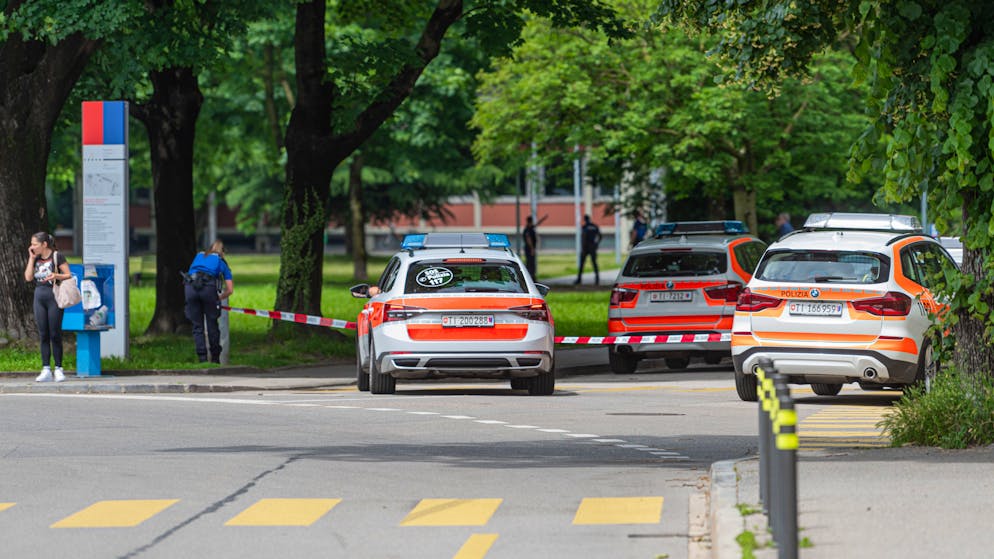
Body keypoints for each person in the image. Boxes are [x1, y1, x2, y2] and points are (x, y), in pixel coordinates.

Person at [24, 232, 72, 382]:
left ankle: (58, 368)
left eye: (35, 244)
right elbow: (28, 277)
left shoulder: (57, 256)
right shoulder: (36, 258)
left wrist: (55, 276)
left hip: (54, 297)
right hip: (39, 296)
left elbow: (68, 275)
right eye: (31, 244)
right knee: (43, 334)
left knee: (55, 333)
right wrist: (31, 259)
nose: (32, 247)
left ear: (44, 244)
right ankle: (45, 369)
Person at [184, 240, 234, 363]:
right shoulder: (221, 262)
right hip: (208, 289)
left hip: (190, 288)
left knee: (197, 326)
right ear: (222, 252)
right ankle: (215, 358)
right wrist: (219, 298)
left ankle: (202, 359)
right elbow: (230, 290)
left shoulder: (199, 256)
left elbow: (191, 272)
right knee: (212, 324)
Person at [575, 214, 603, 285]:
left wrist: (583, 247)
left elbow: (584, 237)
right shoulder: (594, 226)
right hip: (593, 247)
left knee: (582, 264)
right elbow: (600, 236)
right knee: (594, 263)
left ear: (584, 219)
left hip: (586, 247)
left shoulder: (585, 227)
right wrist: (596, 244)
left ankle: (579, 279)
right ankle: (597, 279)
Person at [522, 214, 547, 279]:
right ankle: (530, 278)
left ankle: (531, 277)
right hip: (529, 249)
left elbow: (536, 224)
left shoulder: (530, 228)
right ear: (530, 221)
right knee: (530, 264)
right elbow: (528, 239)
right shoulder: (528, 229)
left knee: (530, 263)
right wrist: (532, 249)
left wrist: (543, 219)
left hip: (529, 249)